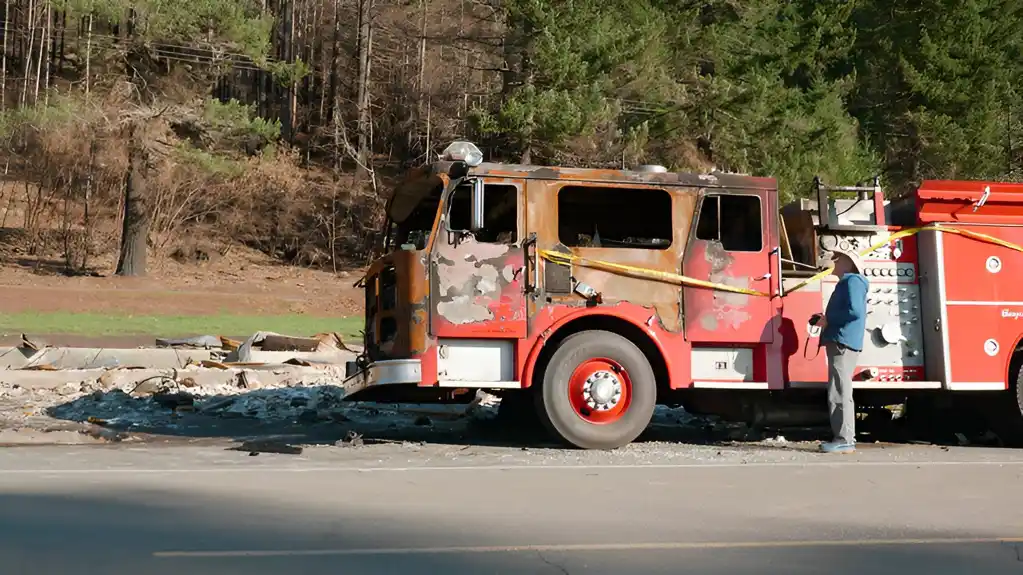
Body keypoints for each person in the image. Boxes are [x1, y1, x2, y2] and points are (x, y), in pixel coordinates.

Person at [813, 248, 869, 454]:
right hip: (844, 340)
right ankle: (844, 438)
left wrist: (830, 320)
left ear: (847, 262)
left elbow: (854, 311)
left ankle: (844, 439)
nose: (833, 261)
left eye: (837, 258)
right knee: (840, 388)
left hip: (842, 341)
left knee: (839, 390)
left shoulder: (852, 281)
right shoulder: (852, 282)